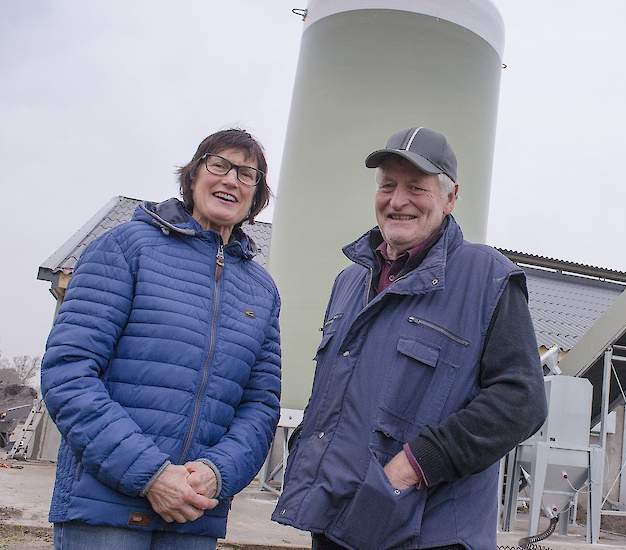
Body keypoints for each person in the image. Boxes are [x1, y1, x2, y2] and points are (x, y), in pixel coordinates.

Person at [273, 127, 548, 549]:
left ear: (450, 197)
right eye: (387, 185)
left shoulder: (488, 277)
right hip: (335, 520)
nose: (397, 201)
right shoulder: (350, 280)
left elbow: (520, 402)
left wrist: (411, 468)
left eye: (416, 188)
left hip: (428, 532)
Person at [41, 129, 282, 550]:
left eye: (247, 174)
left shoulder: (262, 291)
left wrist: (217, 472)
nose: (231, 180)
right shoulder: (126, 248)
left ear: (256, 195)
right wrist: (151, 473)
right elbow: (69, 373)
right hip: (105, 513)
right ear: (192, 175)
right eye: (219, 165)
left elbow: (260, 406)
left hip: (194, 515)